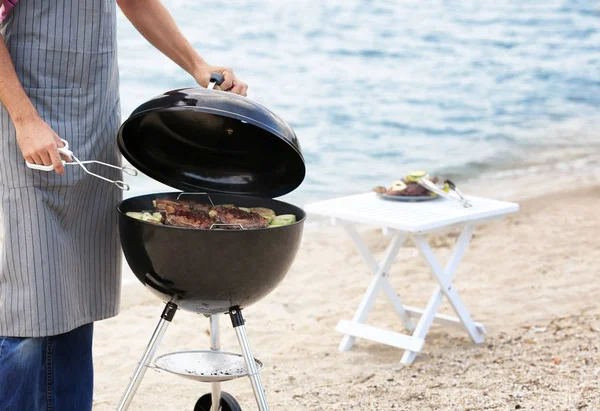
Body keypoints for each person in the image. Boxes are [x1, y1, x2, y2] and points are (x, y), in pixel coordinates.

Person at [0, 0, 247, 409]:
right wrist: (26, 121)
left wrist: (196, 65)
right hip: (30, 122)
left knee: (76, 301)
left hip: (95, 119)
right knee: (31, 307)